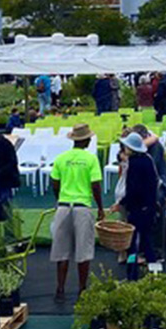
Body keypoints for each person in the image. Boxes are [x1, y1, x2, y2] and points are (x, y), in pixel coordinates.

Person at [49, 124, 104, 302]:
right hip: (82, 206)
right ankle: (82, 289)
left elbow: (55, 183)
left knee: (61, 251)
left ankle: (60, 288)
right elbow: (95, 185)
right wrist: (101, 207)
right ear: (87, 140)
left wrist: (60, 199)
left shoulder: (61, 158)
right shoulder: (91, 159)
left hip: (64, 206)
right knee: (83, 251)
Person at [118, 132, 160, 277]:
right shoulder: (148, 159)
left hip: (137, 209)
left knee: (132, 245)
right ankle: (155, 271)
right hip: (149, 207)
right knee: (147, 241)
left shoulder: (134, 164)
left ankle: (132, 274)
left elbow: (133, 189)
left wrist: (122, 202)